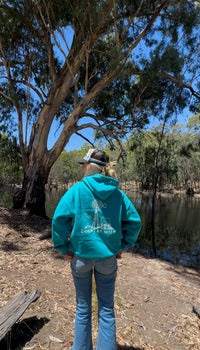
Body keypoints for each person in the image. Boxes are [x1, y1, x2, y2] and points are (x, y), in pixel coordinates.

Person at [52, 149, 141, 350]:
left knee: (83, 308)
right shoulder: (117, 193)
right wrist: (121, 246)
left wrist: (63, 247)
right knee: (107, 310)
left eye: (83, 164)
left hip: (81, 258)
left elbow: (59, 220)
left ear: (90, 166)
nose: (81, 167)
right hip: (108, 259)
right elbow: (134, 222)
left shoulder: (77, 189)